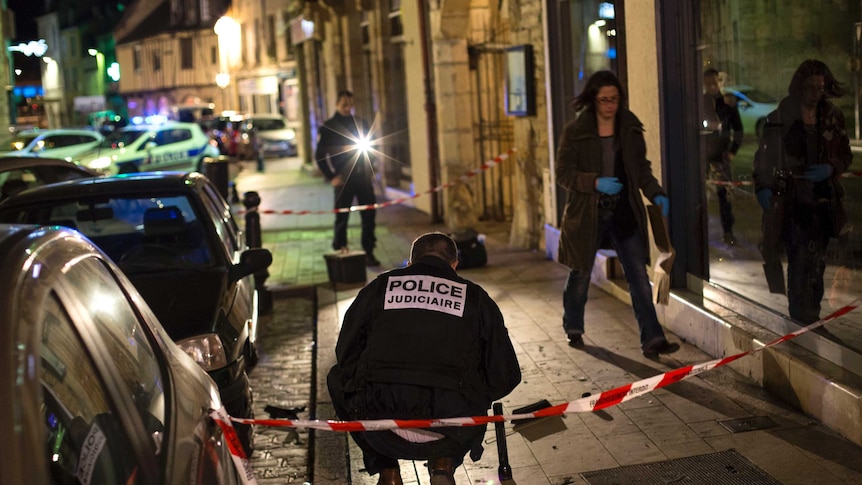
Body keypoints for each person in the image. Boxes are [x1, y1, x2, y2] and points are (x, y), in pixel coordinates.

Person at [327, 232, 521, 485]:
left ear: (410, 263)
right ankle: (443, 464)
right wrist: (474, 393)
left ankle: (387, 469)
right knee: (474, 392)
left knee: (335, 377)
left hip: (380, 426)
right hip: (453, 426)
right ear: (454, 265)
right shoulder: (475, 298)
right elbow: (505, 375)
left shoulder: (379, 288)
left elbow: (346, 353)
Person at [555, 70, 679, 358]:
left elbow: (641, 170)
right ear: (593, 100)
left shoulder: (630, 129)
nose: (610, 105)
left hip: (623, 211)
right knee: (581, 272)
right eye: (603, 100)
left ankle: (653, 339)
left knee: (637, 275)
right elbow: (564, 174)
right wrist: (595, 182)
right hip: (588, 213)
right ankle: (573, 325)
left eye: (614, 99)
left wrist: (656, 193)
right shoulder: (576, 131)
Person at [753, 59, 851, 324]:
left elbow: (845, 153)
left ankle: (812, 315)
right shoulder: (782, 116)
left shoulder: (831, 116)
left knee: (817, 262)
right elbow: (763, 157)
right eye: (810, 87)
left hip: (822, 200)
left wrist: (831, 168)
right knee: (798, 259)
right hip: (792, 200)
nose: (815, 93)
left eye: (820, 87)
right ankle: (799, 317)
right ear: (800, 87)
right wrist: (762, 186)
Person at [315, 90, 381, 266]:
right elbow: (320, 155)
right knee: (342, 216)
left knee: (368, 215)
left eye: (350, 104)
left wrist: (371, 167)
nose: (347, 108)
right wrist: (331, 177)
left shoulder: (360, 123)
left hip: (362, 177)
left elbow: (373, 146)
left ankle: (368, 251)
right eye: (344, 104)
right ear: (337, 104)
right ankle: (340, 251)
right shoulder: (329, 126)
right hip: (343, 178)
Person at [702, 68, 744, 245]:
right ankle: (700, 234)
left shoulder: (727, 104)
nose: (712, 86)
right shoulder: (700, 102)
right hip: (702, 157)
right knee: (700, 197)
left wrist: (732, 151)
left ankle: (728, 232)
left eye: (714, 82)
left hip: (721, 156)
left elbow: (738, 129)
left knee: (724, 196)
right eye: (708, 83)